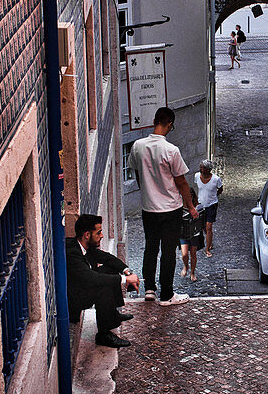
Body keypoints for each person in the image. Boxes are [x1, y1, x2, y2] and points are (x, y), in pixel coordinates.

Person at [130, 107, 198, 306]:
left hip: (148, 208)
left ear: (154, 121)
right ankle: (167, 295)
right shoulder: (171, 150)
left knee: (150, 248)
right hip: (170, 208)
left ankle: (149, 289)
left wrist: (146, 191)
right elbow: (182, 182)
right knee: (168, 251)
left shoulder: (137, 146)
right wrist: (191, 206)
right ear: (169, 124)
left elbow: (137, 174)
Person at [66, 214, 140, 348]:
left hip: (83, 288)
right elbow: (92, 278)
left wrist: (126, 271)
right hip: (73, 300)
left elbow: (107, 258)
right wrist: (125, 279)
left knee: (109, 269)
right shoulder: (72, 253)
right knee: (103, 286)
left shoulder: (85, 246)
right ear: (87, 235)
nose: (102, 236)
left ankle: (112, 313)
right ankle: (103, 335)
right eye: (98, 232)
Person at [194, 159, 222, 257]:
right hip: (201, 205)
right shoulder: (197, 176)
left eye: (204, 168)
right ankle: (210, 242)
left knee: (209, 226)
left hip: (211, 205)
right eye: (201, 167)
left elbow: (220, 189)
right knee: (202, 227)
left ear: (209, 169)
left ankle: (207, 249)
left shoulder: (216, 179)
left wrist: (214, 196)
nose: (202, 169)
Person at [180, 189, 205, 281]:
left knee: (193, 253)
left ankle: (192, 272)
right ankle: (186, 266)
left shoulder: (198, 207)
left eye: (190, 195)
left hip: (195, 233)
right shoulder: (180, 207)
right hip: (183, 234)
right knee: (184, 254)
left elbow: (202, 219)